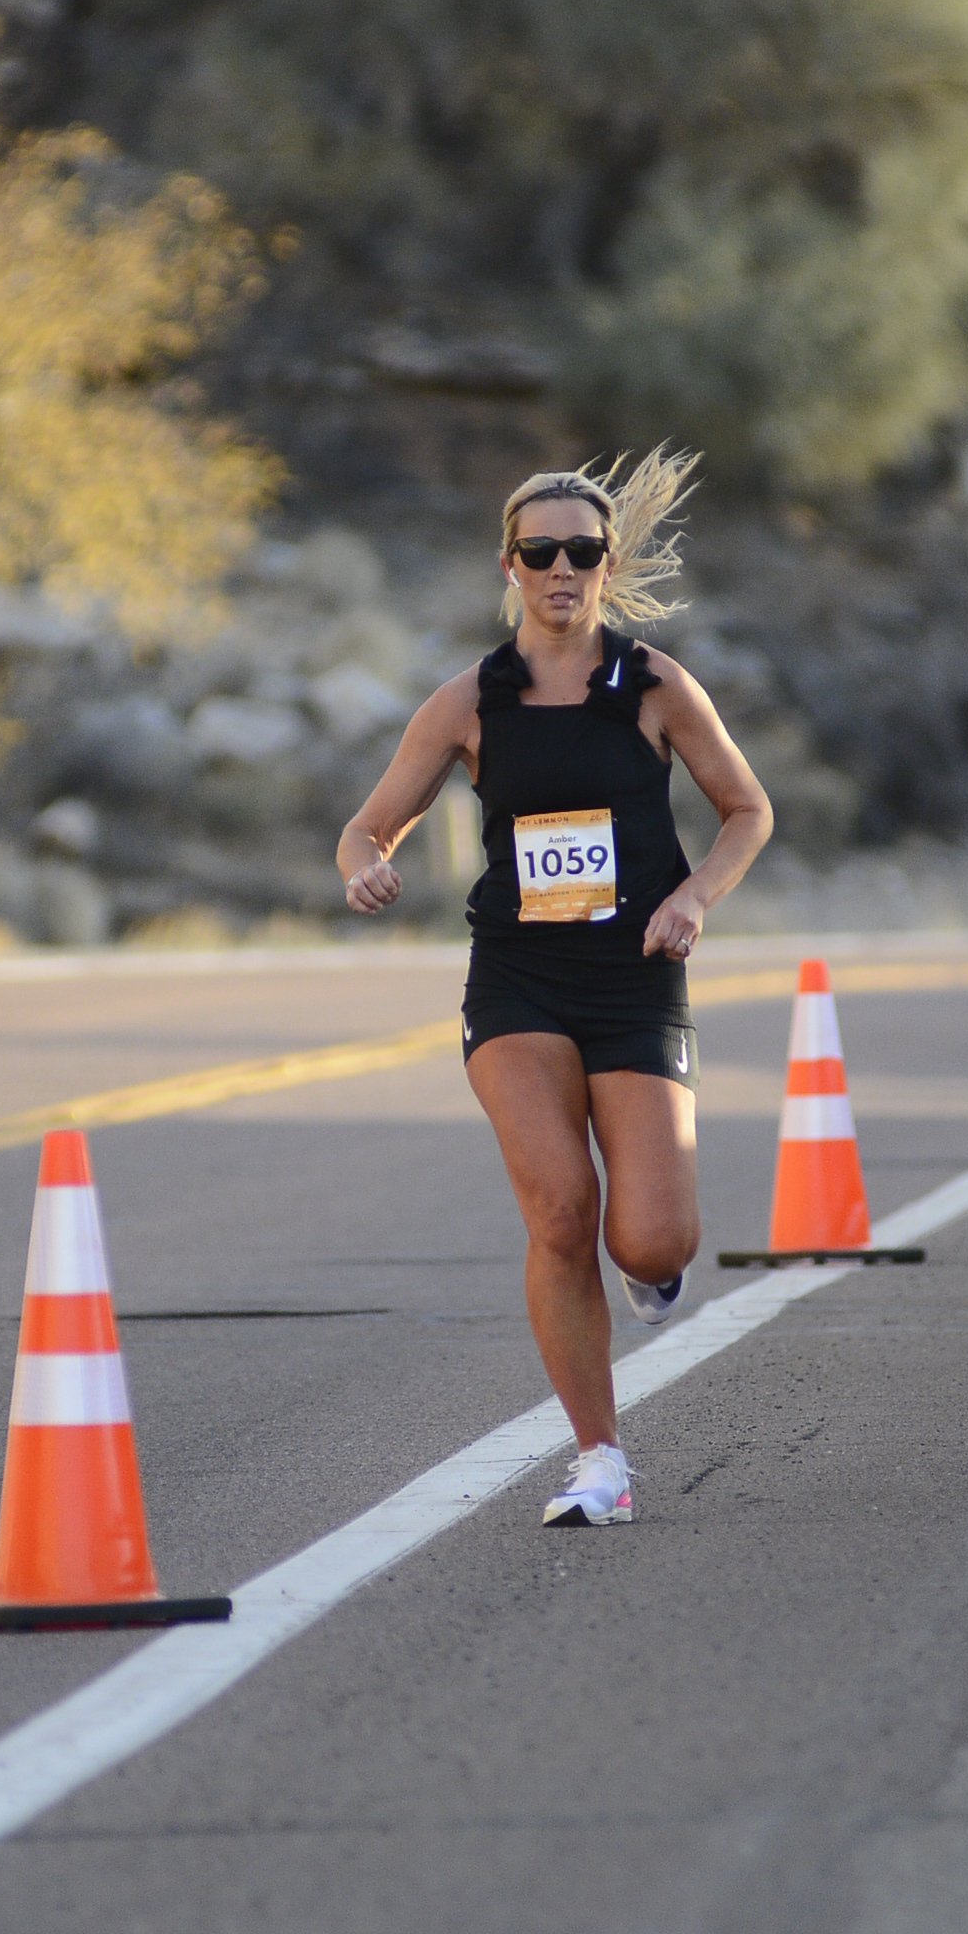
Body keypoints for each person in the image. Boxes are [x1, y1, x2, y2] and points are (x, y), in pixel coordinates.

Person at [336, 452, 773, 1526]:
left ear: (608, 564)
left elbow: (747, 809)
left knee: (652, 1239)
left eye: (582, 551)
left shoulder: (655, 686)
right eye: (540, 552)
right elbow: (367, 825)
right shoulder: (469, 702)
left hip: (634, 980)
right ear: (510, 565)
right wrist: (363, 866)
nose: (561, 569)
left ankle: (650, 1269)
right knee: (560, 1209)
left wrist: (694, 897)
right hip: (517, 980)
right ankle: (598, 1459)